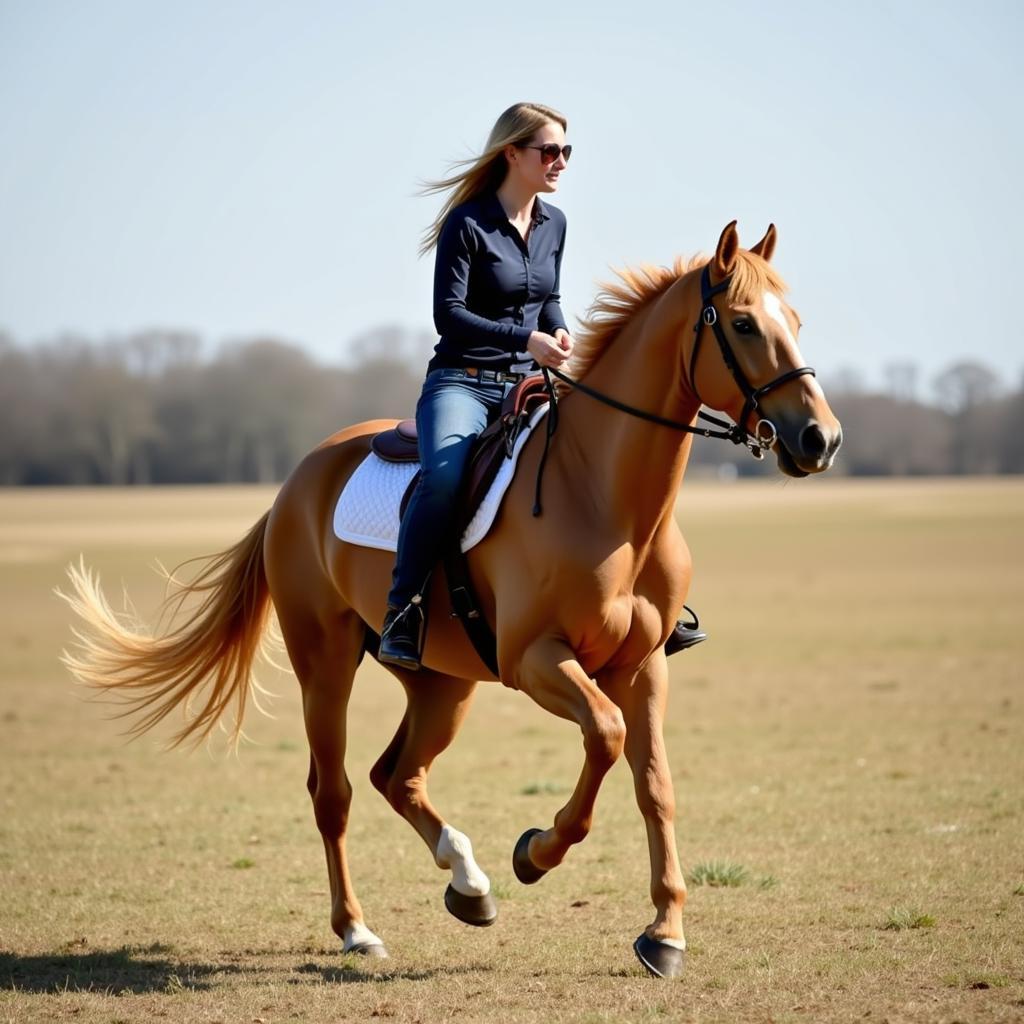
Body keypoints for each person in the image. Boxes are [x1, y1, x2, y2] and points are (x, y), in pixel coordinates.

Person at [379, 102, 705, 670]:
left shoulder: (554, 223)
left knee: (602, 462)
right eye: (549, 151)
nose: (560, 162)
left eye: (566, 152)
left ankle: (653, 603)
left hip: (531, 382)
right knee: (442, 479)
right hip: (463, 382)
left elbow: (547, 296)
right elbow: (448, 315)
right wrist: (524, 339)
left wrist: (557, 328)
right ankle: (403, 610)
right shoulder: (468, 223)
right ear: (512, 154)